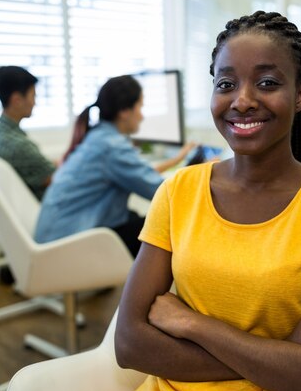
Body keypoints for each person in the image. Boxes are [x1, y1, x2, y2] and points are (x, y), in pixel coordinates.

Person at [115, 11, 301, 391]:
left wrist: (193, 324)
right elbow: (130, 345)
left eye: (267, 83)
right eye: (226, 84)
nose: (242, 100)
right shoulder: (178, 191)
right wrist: (285, 352)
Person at [34, 75, 194, 257]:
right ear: (125, 111)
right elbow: (160, 193)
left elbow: (141, 175)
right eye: (140, 107)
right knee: (168, 224)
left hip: (55, 235)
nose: (142, 116)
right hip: (68, 244)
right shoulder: (112, 147)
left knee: (135, 216)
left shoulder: (98, 138)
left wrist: (179, 161)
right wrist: (199, 179)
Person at [0, 66, 56, 200]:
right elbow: (56, 179)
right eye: (33, 96)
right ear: (17, 100)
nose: (34, 103)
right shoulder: (18, 146)